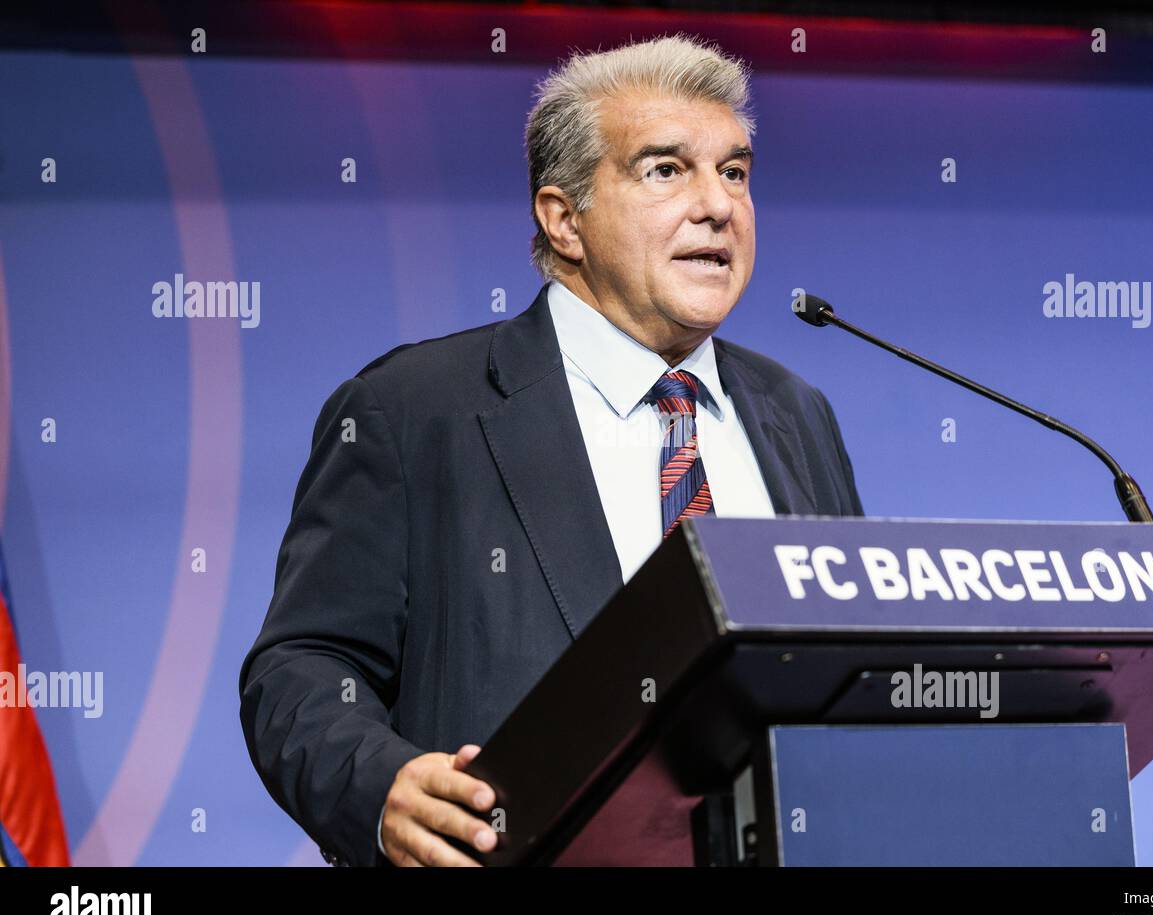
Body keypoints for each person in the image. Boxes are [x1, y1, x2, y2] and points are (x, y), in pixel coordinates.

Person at [238, 33, 864, 868]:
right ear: (564, 219)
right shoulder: (413, 411)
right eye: (666, 170)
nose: (719, 204)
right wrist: (381, 785)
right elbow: (302, 666)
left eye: (736, 171)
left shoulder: (796, 413)